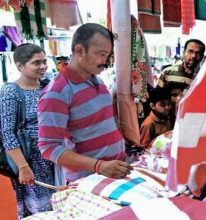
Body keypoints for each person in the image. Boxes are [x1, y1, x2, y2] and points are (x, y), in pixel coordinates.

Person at [38, 23, 132, 183]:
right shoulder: (58, 92)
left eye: (108, 55)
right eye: (101, 54)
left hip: (114, 171)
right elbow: (48, 148)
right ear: (80, 50)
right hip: (88, 180)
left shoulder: (98, 81)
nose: (106, 61)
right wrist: (99, 166)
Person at [0, 43, 55, 219]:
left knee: (60, 201)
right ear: (19, 66)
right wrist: (23, 167)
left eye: (45, 61)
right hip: (31, 160)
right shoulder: (11, 92)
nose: (43, 66)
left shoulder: (47, 86)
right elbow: (7, 133)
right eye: (36, 63)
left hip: (54, 157)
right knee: (41, 209)